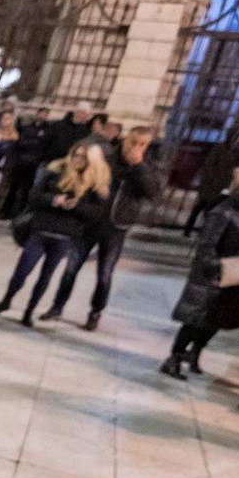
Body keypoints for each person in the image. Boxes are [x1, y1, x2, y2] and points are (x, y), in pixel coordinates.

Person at [46, 125, 162, 329]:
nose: (136, 147)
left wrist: (138, 166)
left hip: (117, 226)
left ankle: (95, 312)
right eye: (133, 142)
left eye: (142, 144)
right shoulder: (106, 158)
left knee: (105, 273)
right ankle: (57, 306)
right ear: (125, 139)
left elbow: (152, 193)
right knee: (71, 267)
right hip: (89, 221)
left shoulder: (148, 166)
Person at [161, 164, 239, 381]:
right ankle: (173, 358)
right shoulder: (224, 210)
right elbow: (207, 245)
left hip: (237, 273)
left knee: (219, 319)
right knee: (196, 320)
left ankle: (195, 353)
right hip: (212, 275)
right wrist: (217, 268)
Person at [0, 139, 109, 327]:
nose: (77, 159)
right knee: (22, 270)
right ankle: (6, 300)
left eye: (83, 157)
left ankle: (29, 311)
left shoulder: (95, 184)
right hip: (42, 228)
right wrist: (53, 200)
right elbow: (34, 196)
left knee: (46, 276)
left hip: (65, 235)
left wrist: (76, 206)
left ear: (91, 161)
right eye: (75, 154)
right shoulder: (56, 171)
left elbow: (96, 213)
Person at [183, 126, 239, 235]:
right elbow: (209, 164)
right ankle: (188, 229)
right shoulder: (220, 147)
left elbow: (238, 170)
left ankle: (203, 232)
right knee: (200, 207)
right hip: (210, 184)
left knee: (211, 210)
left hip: (224, 185)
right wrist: (209, 179)